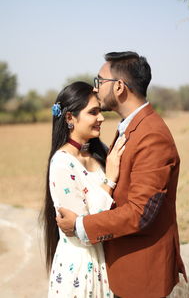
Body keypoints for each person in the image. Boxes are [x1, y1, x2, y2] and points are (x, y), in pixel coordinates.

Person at [56, 51, 187, 298]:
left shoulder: (152, 136)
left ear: (118, 87)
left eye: (99, 82)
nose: (95, 91)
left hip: (141, 273)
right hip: (123, 266)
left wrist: (80, 225)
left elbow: (140, 212)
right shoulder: (132, 126)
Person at [42, 81, 126, 298]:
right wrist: (110, 180)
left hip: (104, 263)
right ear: (70, 118)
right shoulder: (62, 163)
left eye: (100, 111)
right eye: (93, 112)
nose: (101, 118)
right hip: (79, 269)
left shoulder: (99, 155)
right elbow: (82, 230)